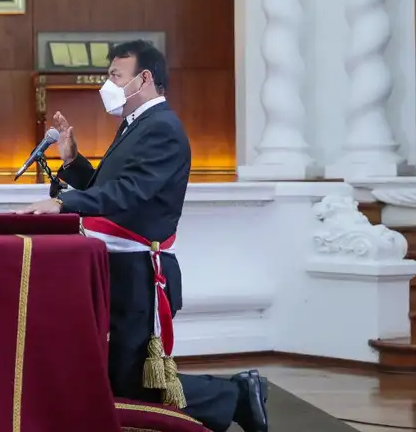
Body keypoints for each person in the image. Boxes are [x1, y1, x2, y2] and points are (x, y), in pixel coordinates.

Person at [17, 40, 268, 432]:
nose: (108, 85)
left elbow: (129, 192)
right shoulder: (136, 125)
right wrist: (72, 162)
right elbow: (109, 189)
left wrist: (64, 203)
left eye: (115, 76)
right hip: (122, 267)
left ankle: (237, 395)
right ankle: (235, 395)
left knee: (135, 381)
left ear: (144, 78)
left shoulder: (163, 128)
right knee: (122, 376)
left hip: (142, 273)